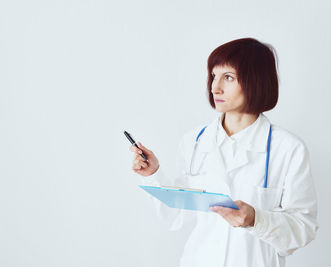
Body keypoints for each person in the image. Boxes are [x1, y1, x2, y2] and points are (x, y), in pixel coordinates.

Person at [129, 38, 318, 267]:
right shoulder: (194, 142)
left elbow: (303, 229)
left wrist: (256, 219)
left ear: (255, 81)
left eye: (228, 77)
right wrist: (154, 174)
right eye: (213, 76)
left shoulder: (288, 149)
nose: (214, 87)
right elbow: (177, 217)